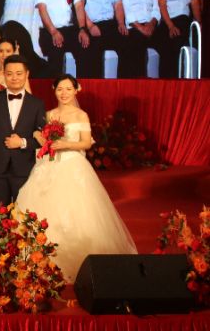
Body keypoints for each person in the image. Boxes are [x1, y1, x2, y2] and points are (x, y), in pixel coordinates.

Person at [17, 75, 137, 280]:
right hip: (49, 165)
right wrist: (39, 137)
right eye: (60, 89)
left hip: (73, 165)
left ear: (76, 90)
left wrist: (66, 144)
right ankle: (43, 260)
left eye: (68, 89)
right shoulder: (49, 114)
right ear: (54, 91)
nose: (64, 93)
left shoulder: (81, 115)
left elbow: (86, 143)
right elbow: (42, 138)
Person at [0, 55, 46, 213]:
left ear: (27, 74)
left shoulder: (37, 104)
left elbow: (43, 139)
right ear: (4, 74)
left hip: (24, 168)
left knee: (23, 216)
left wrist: (22, 142)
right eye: (9, 74)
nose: (14, 78)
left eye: (19, 73)